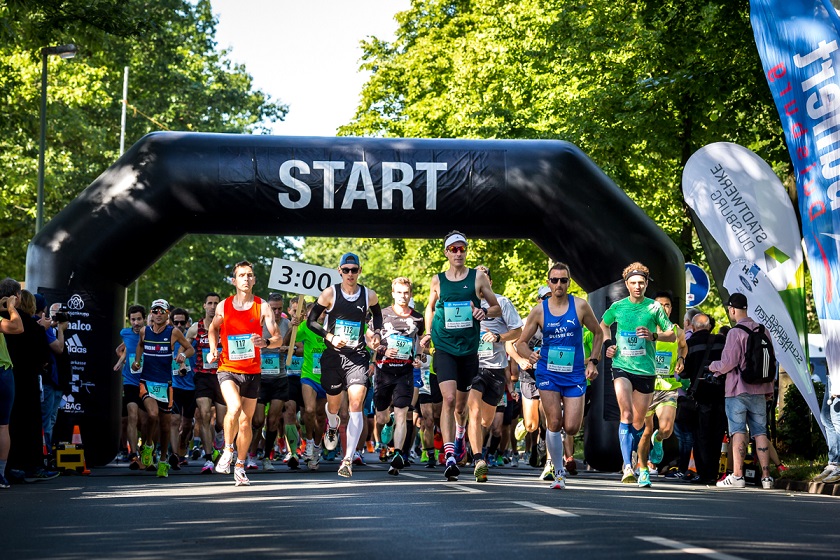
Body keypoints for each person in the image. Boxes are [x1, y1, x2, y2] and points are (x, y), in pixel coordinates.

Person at [420, 232, 501, 481]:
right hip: (444, 346)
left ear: (466, 251)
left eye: (461, 249)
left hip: (468, 349)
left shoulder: (478, 278)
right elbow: (430, 306)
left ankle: (460, 433)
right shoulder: (438, 280)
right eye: (453, 249)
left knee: (461, 406)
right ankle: (450, 454)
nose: (458, 253)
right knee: (448, 398)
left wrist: (483, 313)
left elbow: (495, 307)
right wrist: (428, 332)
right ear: (446, 252)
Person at [517, 263, 603, 489]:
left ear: (569, 283)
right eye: (554, 280)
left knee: (572, 427)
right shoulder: (539, 310)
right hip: (548, 372)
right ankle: (558, 472)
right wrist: (530, 355)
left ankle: (560, 461)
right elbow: (520, 343)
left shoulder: (581, 306)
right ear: (548, 283)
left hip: (574, 373)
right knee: (554, 422)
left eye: (563, 280)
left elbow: (598, 333)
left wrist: (593, 361)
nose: (558, 285)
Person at [306, 253, 383, 478]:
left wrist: (377, 332)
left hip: (357, 356)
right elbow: (311, 321)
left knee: (356, 403)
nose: (351, 274)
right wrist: (329, 336)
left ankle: (347, 458)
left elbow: (377, 317)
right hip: (332, 357)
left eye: (354, 269)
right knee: (333, 406)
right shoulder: (330, 293)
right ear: (340, 271)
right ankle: (331, 425)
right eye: (346, 269)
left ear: (360, 271)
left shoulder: (369, 295)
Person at [599, 262, 676, 487]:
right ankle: (627, 466)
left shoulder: (654, 308)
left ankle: (637, 459)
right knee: (625, 414)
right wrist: (608, 344)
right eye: (633, 283)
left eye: (641, 283)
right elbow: (603, 325)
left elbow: (671, 334)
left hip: (646, 370)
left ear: (646, 284)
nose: (637, 286)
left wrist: (654, 336)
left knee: (639, 422)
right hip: (622, 365)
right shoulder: (618, 307)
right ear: (626, 284)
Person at [208, 261, 283, 486]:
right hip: (228, 368)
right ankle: (228, 450)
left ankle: (240, 466)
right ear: (234, 281)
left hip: (252, 371)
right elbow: (213, 328)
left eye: (250, 275)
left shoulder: (262, 306)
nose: (246, 279)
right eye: (241, 275)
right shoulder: (224, 306)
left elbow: (277, 338)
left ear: (254, 280)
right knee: (234, 408)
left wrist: (266, 341)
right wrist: (213, 348)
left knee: (245, 422)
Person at [709, 293, 775, 489]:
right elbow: (770, 361)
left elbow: (728, 363)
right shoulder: (763, 330)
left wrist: (713, 366)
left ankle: (738, 476)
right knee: (760, 432)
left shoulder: (735, 333)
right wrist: (769, 388)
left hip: (738, 390)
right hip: (760, 390)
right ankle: (766, 478)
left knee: (738, 431)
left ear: (732, 309)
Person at [468, 265, 523, 482]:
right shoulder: (465, 302)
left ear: (489, 283)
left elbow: (517, 331)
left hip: (496, 368)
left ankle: (472, 443)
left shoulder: (502, 303)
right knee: (472, 412)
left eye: (484, 279)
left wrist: (499, 337)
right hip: (472, 365)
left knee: (486, 420)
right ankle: (478, 458)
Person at [132, 298, 194, 478]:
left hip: (165, 384)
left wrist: (182, 354)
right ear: (151, 313)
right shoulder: (144, 331)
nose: (158, 314)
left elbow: (189, 348)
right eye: (155, 311)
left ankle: (163, 459)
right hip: (147, 382)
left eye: (162, 311)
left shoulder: (173, 332)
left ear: (167, 314)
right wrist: (137, 362)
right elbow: (140, 346)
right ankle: (149, 445)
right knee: (152, 414)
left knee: (166, 426)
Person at [2, 286, 57, 482]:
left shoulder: (5, 321)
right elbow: (45, 358)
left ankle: (9, 467)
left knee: (8, 424)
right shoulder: (34, 328)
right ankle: (32, 466)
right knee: (31, 424)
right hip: (26, 381)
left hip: (10, 375)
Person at [372, 277, 425, 476]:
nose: (403, 296)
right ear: (393, 293)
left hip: (405, 372)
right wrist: (383, 350)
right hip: (383, 372)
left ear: (410, 294)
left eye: (406, 293)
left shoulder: (418, 318)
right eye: (399, 292)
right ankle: (388, 421)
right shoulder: (383, 315)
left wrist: (418, 356)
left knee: (404, 413)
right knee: (381, 416)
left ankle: (397, 455)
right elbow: (370, 338)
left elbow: (418, 341)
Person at [636, 292, 686, 473]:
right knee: (644, 429)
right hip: (645, 385)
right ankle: (640, 466)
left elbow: (683, 346)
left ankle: (659, 439)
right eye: (659, 305)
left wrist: (681, 359)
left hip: (667, 384)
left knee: (666, 429)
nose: (663, 308)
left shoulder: (677, 330)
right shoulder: (643, 329)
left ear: (671, 309)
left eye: (667, 305)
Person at [681, 313, 726, 484]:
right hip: (721, 394)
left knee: (700, 436)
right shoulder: (722, 341)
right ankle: (713, 473)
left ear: (693, 327)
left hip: (700, 397)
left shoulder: (689, 344)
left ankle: (703, 473)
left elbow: (684, 372)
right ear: (709, 326)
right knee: (717, 435)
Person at [250, 293, 292, 471]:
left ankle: (267, 457)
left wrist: (287, 348)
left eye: (279, 309)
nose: (276, 312)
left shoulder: (287, 324)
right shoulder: (259, 324)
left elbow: (294, 347)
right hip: (261, 378)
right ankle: (251, 455)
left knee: (273, 421)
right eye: (273, 308)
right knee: (258, 421)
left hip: (280, 378)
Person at [185, 292, 224, 474]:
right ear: (204, 306)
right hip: (202, 377)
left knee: (222, 422)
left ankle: (219, 434)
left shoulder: (226, 326)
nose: (213, 306)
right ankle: (208, 458)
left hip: (223, 376)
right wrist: (183, 357)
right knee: (205, 414)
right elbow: (184, 346)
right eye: (210, 303)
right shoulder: (195, 328)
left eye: (216, 303)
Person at [113, 305, 146, 469]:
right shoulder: (124, 333)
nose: (136, 322)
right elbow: (125, 349)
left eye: (139, 319)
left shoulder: (150, 334)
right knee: (132, 416)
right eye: (133, 319)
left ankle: (146, 450)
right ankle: (133, 454)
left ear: (144, 319)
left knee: (146, 420)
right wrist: (121, 361)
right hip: (131, 381)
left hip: (148, 382)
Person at [296, 302, 327, 471]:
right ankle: (308, 442)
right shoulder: (305, 326)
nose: (321, 315)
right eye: (318, 313)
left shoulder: (332, 326)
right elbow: (290, 340)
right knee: (309, 410)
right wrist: (293, 327)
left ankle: (316, 446)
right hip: (309, 376)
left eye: (323, 312)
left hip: (326, 378)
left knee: (321, 416)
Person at [0, 290, 23, 488]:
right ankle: (0, 473)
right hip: (2, 371)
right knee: (2, 425)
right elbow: (17, 327)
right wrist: (11, 307)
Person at [169, 307, 196, 469]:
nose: (179, 325)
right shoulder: (167, 340)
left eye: (182, 322)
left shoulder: (191, 341)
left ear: (187, 323)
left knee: (187, 425)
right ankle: (174, 455)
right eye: (176, 322)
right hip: (174, 387)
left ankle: (182, 446)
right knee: (174, 420)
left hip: (192, 387)